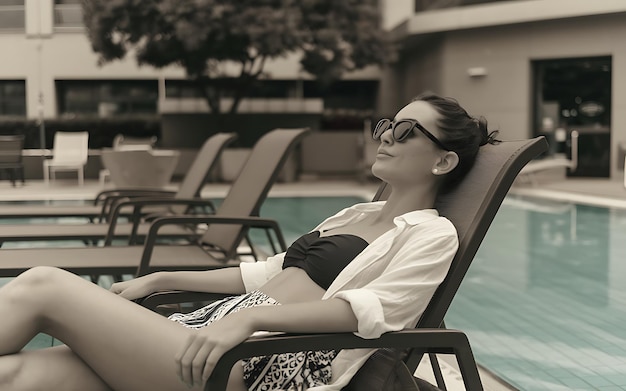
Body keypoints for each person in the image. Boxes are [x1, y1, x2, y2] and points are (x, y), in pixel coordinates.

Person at [0, 92, 498, 391]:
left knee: (44, 285)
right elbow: (260, 272)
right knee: (17, 376)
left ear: (443, 161)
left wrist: (254, 317)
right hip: (210, 333)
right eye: (388, 125)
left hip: (253, 368)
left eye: (407, 130)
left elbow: (367, 312)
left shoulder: (432, 234)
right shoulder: (359, 213)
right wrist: (165, 275)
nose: (386, 135)